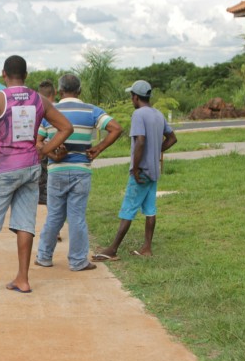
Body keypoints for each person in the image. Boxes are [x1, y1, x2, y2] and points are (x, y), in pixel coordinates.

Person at [0, 55, 74, 297]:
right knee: (25, 223)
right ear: (26, 75)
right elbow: (66, 128)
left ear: (4, 74)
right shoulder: (38, 99)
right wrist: (44, 151)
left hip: (4, 168)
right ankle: (22, 279)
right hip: (30, 168)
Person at [35, 73, 123, 271]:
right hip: (81, 170)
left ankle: (44, 257)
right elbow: (116, 128)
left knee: (54, 216)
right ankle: (77, 261)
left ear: (58, 92)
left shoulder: (49, 111)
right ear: (80, 91)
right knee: (77, 216)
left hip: (56, 171)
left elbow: (37, 142)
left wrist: (52, 153)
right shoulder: (92, 111)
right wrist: (98, 148)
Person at [93, 80, 177, 261]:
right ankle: (146, 247)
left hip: (142, 171)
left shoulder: (138, 114)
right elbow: (172, 138)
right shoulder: (158, 114)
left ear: (136, 97)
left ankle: (112, 249)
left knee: (128, 209)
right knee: (150, 209)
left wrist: (137, 167)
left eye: (131, 96)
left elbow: (140, 140)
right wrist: (157, 150)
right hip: (154, 171)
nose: (131, 99)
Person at [36, 80, 56, 206]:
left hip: (44, 150)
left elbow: (38, 140)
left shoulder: (37, 109)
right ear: (54, 94)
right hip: (57, 149)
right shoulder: (57, 109)